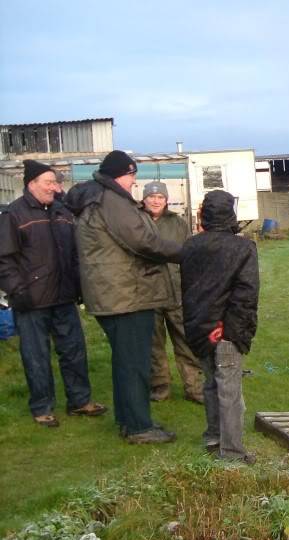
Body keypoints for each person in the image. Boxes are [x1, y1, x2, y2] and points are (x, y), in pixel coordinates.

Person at [64, 151, 182, 444]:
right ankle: (140, 427)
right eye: (132, 175)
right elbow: (144, 241)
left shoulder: (97, 198)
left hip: (112, 294)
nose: (134, 181)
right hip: (126, 295)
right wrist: (185, 252)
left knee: (125, 361)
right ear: (120, 174)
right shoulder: (112, 201)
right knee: (134, 364)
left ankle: (129, 420)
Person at [0, 160, 105, 426]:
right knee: (36, 357)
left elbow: (74, 255)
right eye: (48, 182)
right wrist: (17, 290)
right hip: (31, 300)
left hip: (64, 297)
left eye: (56, 182)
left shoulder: (62, 212)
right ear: (31, 184)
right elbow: (4, 258)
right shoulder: (14, 214)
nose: (54, 187)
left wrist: (79, 287)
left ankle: (80, 401)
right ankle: (41, 407)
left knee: (74, 351)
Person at [181, 190, 259, 463]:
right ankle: (233, 452)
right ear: (230, 214)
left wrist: (206, 325)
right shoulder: (243, 247)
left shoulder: (190, 246)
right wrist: (229, 330)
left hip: (199, 327)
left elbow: (192, 292)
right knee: (229, 390)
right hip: (225, 329)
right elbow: (246, 294)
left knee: (211, 384)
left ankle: (214, 437)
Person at [141, 181, 204, 404]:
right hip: (148, 293)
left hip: (177, 292)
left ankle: (194, 387)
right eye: (151, 196)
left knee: (186, 341)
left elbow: (190, 255)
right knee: (153, 344)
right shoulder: (137, 221)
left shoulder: (178, 223)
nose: (156, 200)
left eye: (160, 197)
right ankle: (160, 387)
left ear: (166, 200)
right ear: (144, 198)